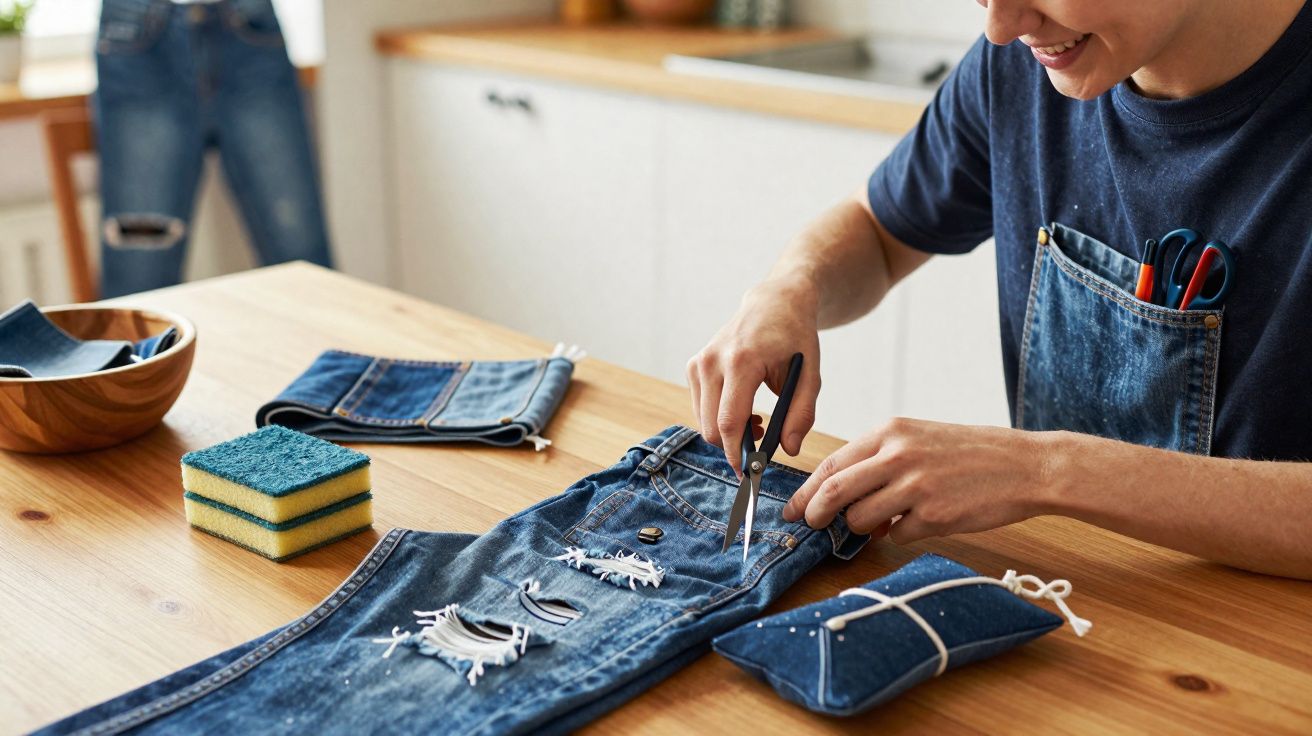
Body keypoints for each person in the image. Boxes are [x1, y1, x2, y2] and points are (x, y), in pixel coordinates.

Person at [687, 0, 1312, 580]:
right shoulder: (1028, 62)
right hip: (1076, 600)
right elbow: (879, 233)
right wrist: (789, 288)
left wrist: (1043, 471)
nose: (1003, 27)